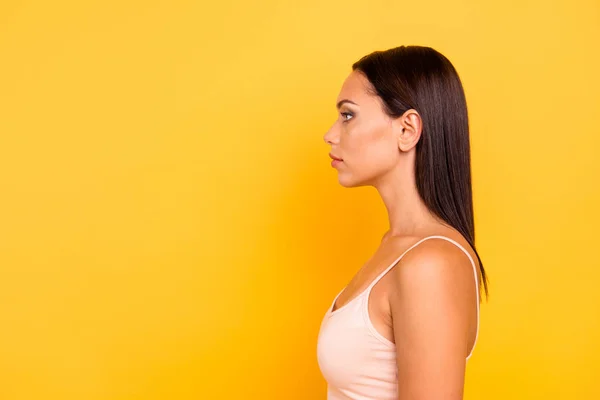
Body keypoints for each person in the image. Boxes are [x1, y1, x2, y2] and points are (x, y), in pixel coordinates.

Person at [316, 45, 490, 400]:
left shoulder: (431, 263)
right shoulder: (395, 247)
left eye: (348, 116)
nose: (330, 134)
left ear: (407, 129)